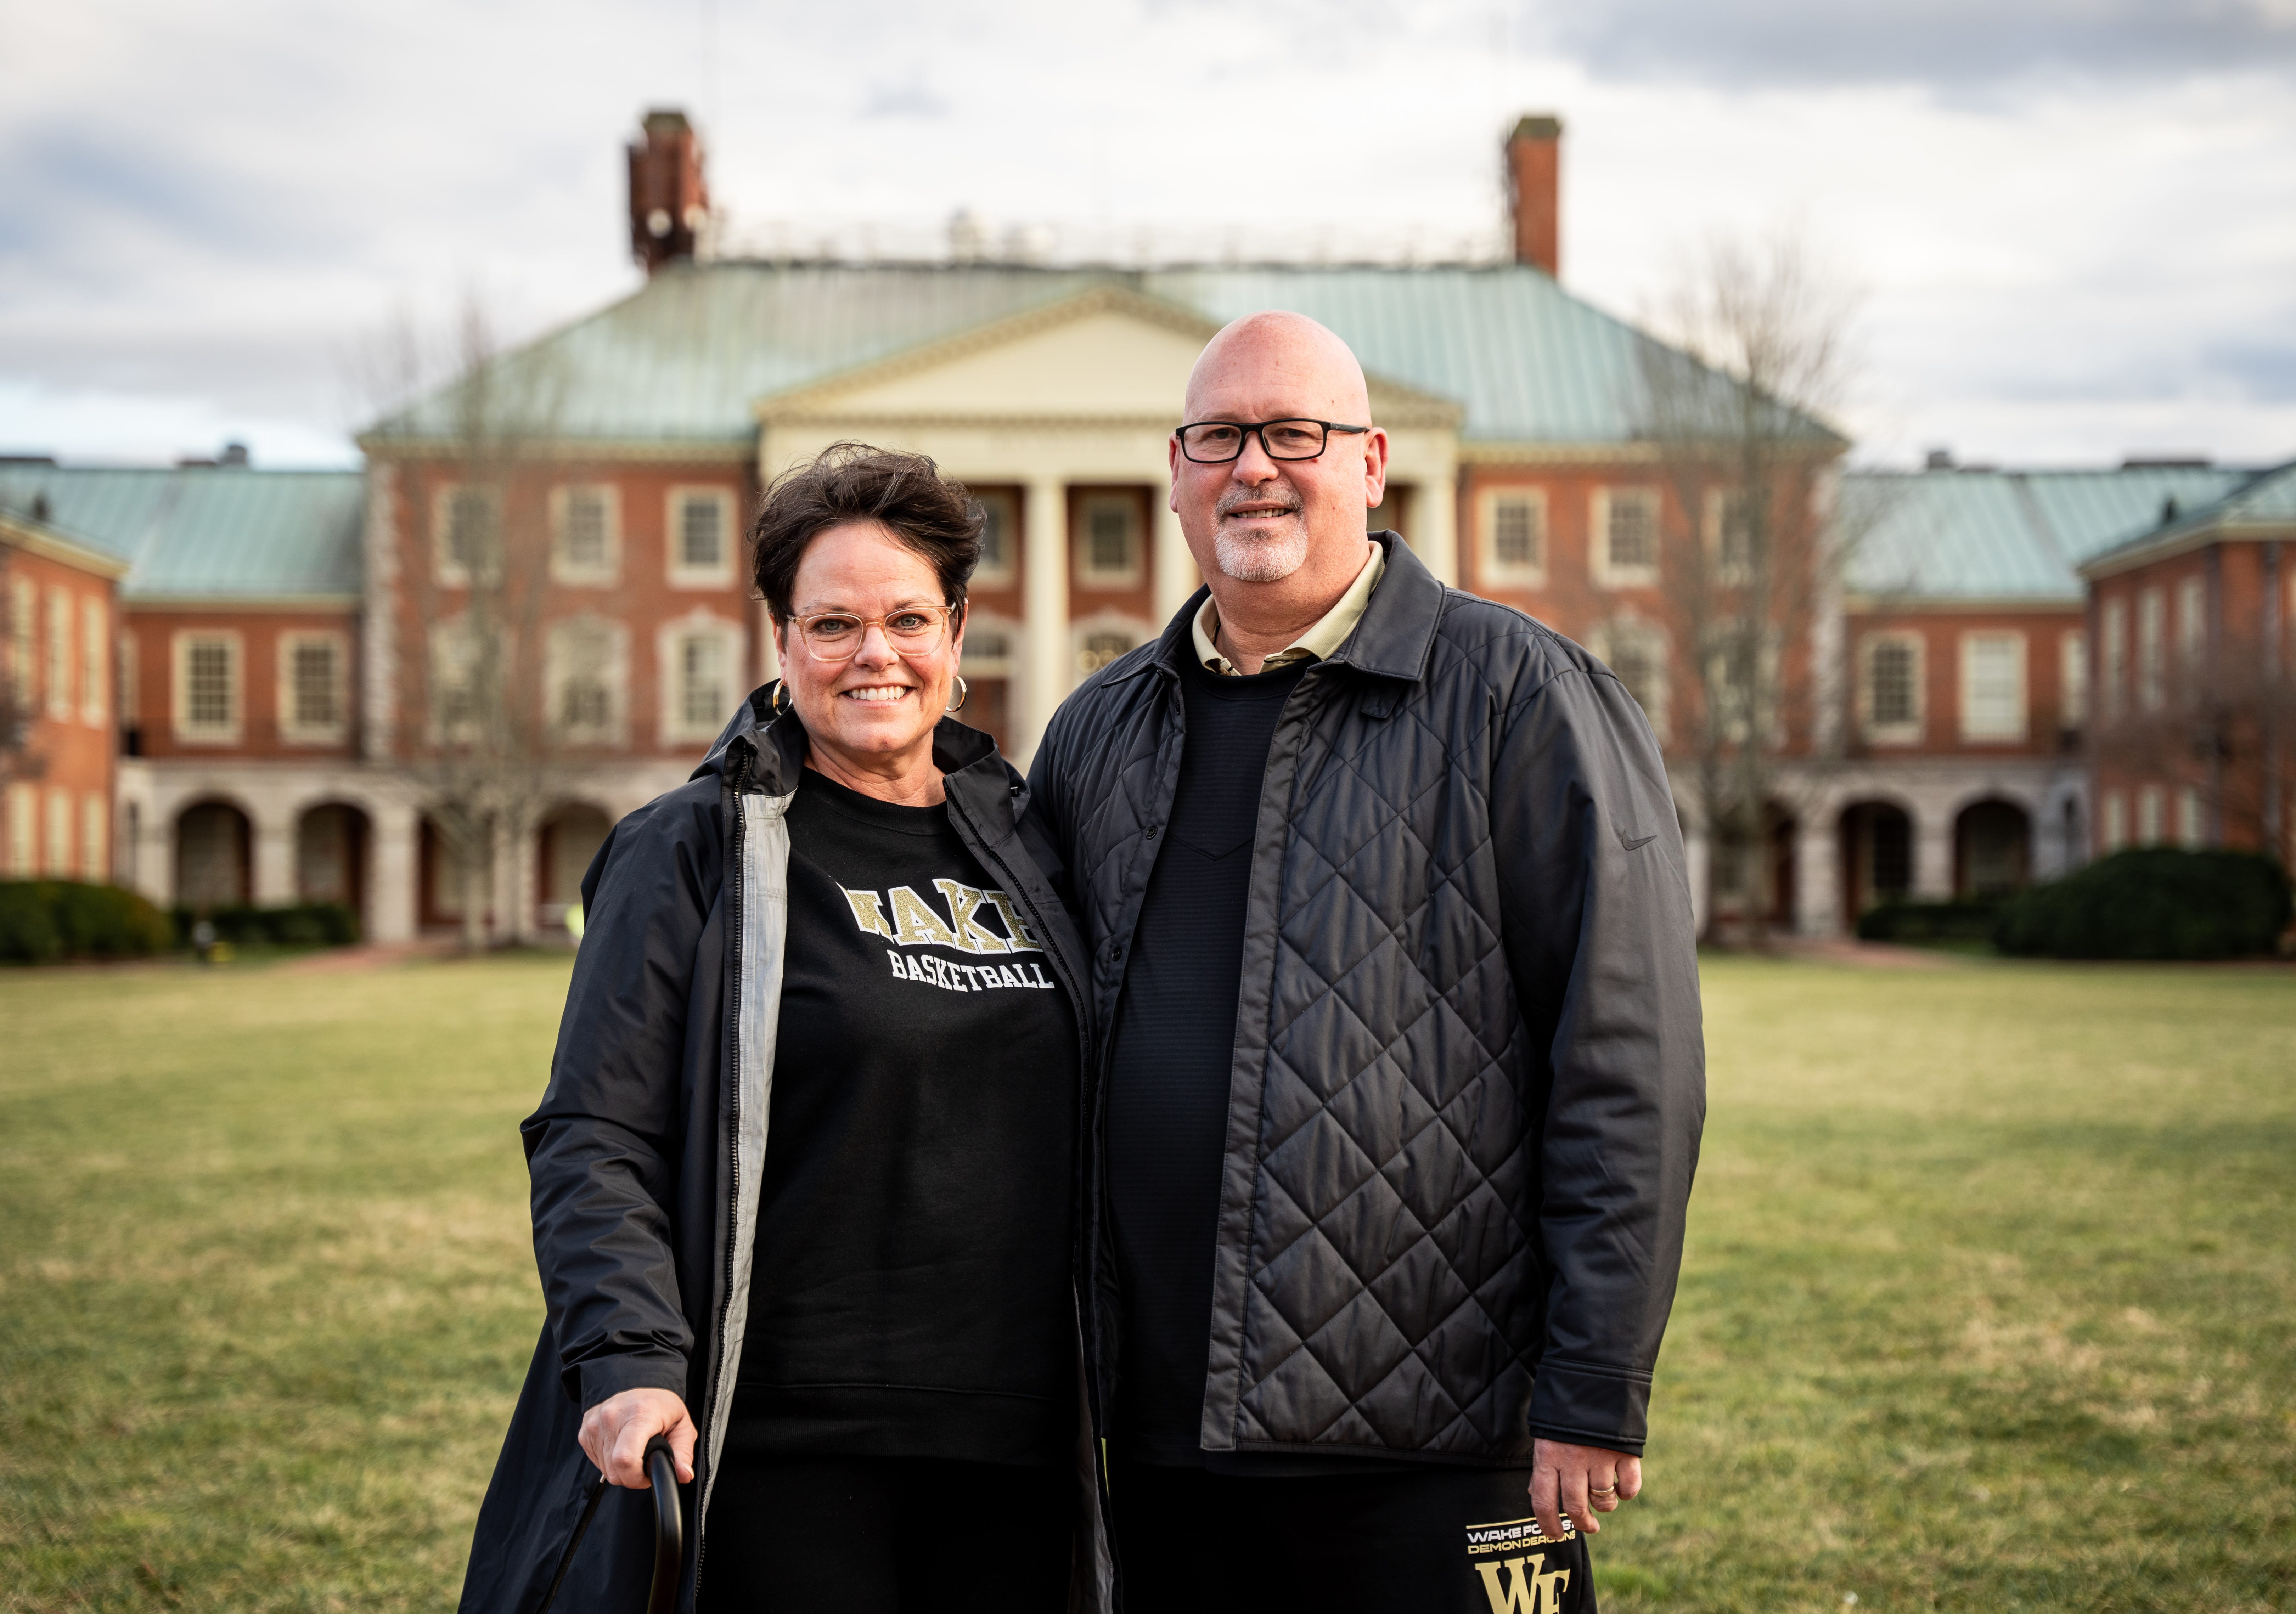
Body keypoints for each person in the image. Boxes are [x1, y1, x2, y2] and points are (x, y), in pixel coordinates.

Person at [1026, 314, 1705, 1613]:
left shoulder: (1524, 697)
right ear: (1176, 468)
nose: (1254, 468)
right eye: (1218, 436)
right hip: (1160, 1441)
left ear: (1374, 462)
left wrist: (1595, 1381)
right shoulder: (1098, 732)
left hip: (1442, 1440)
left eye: (1295, 433)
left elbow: (1631, 1061)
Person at [459, 444, 1108, 1614]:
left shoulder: (1032, 847)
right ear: (781, 641)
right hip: (787, 1443)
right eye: (834, 623)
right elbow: (591, 1129)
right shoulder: (692, 849)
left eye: (910, 617)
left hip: (1017, 1447)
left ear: (957, 633)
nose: (876, 653)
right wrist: (628, 1359)